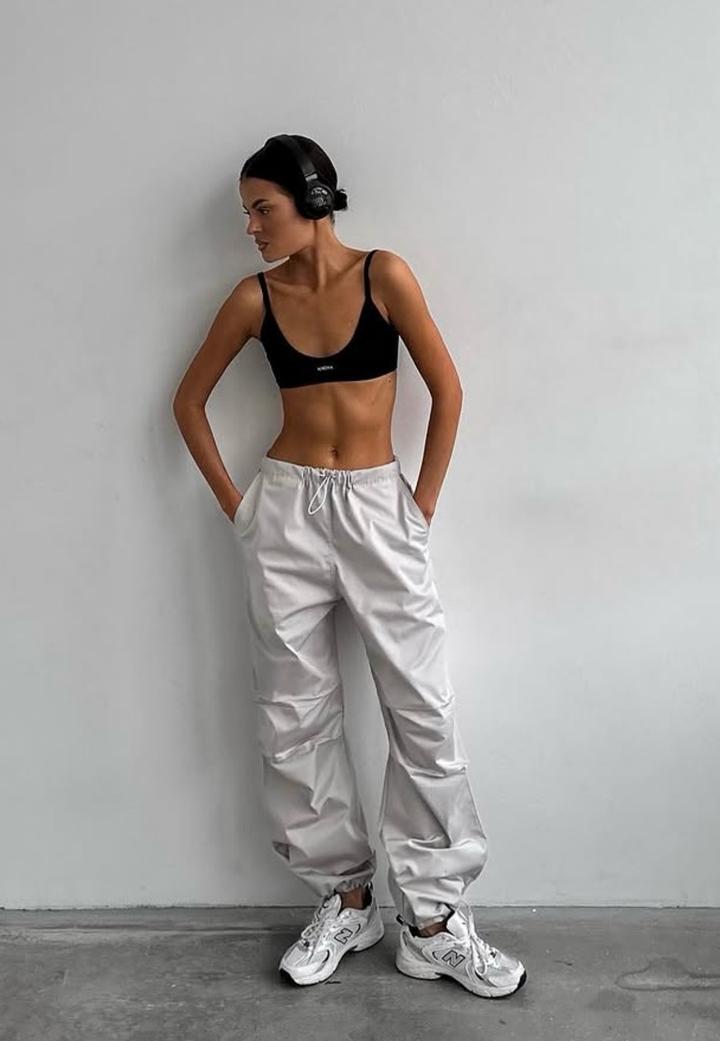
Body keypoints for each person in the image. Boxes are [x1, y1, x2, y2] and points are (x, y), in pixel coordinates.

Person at [172, 134, 527, 999]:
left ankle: (433, 922)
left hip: (377, 505)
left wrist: (419, 505)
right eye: (247, 213)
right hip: (286, 507)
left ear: (313, 199)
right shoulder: (253, 297)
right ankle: (349, 897)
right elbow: (188, 402)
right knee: (293, 711)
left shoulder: (383, 276)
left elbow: (448, 390)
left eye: (262, 208)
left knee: (422, 704)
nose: (251, 227)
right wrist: (243, 509)